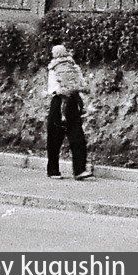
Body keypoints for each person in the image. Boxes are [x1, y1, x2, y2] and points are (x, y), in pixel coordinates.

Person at [45, 43, 92, 181]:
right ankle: (79, 170)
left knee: (54, 137)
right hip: (73, 101)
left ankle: (53, 170)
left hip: (59, 102)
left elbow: (52, 89)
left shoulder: (53, 68)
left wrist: (60, 90)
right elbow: (82, 84)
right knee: (77, 136)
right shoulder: (74, 67)